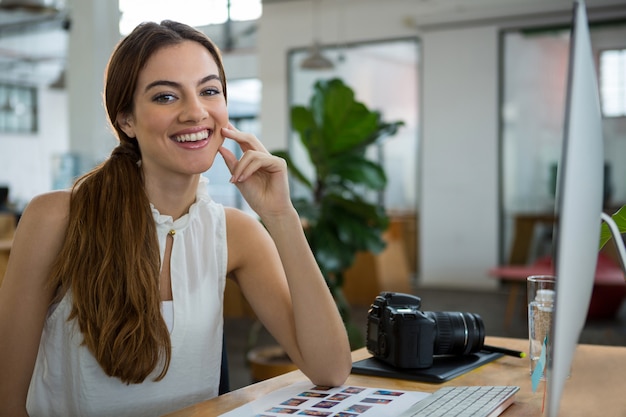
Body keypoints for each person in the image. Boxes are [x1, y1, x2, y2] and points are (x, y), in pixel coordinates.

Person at [0, 20, 351, 417]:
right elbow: (7, 403)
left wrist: (281, 215)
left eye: (209, 91)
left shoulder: (235, 232)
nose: (196, 112)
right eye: (166, 96)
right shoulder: (56, 218)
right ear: (126, 120)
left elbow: (330, 369)